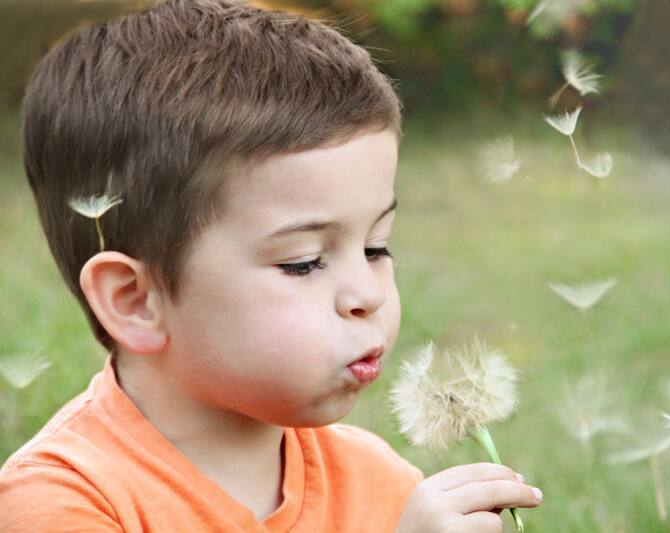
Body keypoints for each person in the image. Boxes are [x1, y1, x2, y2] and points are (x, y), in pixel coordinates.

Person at [0, 1, 543, 531]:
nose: (367, 293)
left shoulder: (380, 481)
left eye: (376, 247)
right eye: (304, 263)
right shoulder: (61, 502)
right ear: (135, 300)